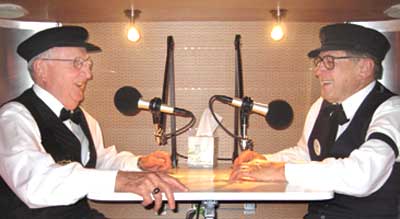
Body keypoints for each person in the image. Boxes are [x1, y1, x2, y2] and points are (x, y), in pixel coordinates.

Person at [0, 25, 188, 219]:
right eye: (77, 63)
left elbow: (99, 162)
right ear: (41, 69)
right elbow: (35, 183)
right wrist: (120, 180)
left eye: (88, 64)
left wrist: (139, 164)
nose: (88, 75)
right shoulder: (12, 118)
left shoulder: (84, 118)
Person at [230, 23, 400, 219]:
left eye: (329, 62)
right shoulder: (321, 105)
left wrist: (283, 171)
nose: (318, 71)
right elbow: (305, 154)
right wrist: (265, 160)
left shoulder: (393, 110)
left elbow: (363, 175)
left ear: (364, 67)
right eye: (319, 62)